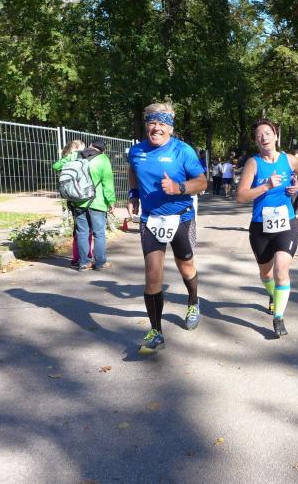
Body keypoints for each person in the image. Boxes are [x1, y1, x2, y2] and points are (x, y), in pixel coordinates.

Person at [127, 103, 208, 354]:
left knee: (186, 266)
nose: (156, 128)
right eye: (152, 123)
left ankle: (193, 302)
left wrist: (178, 188)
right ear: (146, 125)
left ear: (170, 128)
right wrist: (134, 195)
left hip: (181, 218)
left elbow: (202, 182)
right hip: (151, 219)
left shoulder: (183, 151)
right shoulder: (136, 151)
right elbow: (133, 170)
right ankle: (156, 332)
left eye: (162, 124)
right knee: (153, 276)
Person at [236, 119, 298, 338]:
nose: (264, 137)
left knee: (281, 270)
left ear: (276, 136)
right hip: (260, 225)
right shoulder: (253, 163)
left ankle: (278, 317)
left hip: (286, 223)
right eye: (259, 135)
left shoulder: (289, 159)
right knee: (266, 273)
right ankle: (273, 294)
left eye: (267, 133)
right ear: (256, 140)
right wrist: (266, 186)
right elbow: (241, 196)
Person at [69, 140, 116, 271]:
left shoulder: (76, 155)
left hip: (78, 200)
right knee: (99, 233)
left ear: (90, 146)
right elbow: (107, 182)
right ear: (102, 150)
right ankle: (100, 262)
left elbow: (57, 166)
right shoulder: (103, 159)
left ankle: (84, 263)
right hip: (97, 202)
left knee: (82, 233)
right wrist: (111, 201)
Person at [52, 139, 94, 268]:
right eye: (81, 148)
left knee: (85, 230)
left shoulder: (85, 159)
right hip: (78, 199)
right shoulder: (72, 159)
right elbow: (55, 166)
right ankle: (79, 258)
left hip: (82, 198)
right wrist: (71, 157)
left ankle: (86, 255)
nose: (83, 151)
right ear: (73, 150)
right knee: (81, 231)